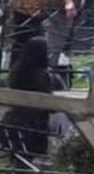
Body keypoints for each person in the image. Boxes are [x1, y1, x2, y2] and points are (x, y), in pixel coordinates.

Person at [0, 36, 53, 164]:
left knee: (16, 160)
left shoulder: (16, 71)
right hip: (34, 124)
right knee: (27, 162)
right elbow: (48, 102)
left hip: (13, 120)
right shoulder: (41, 75)